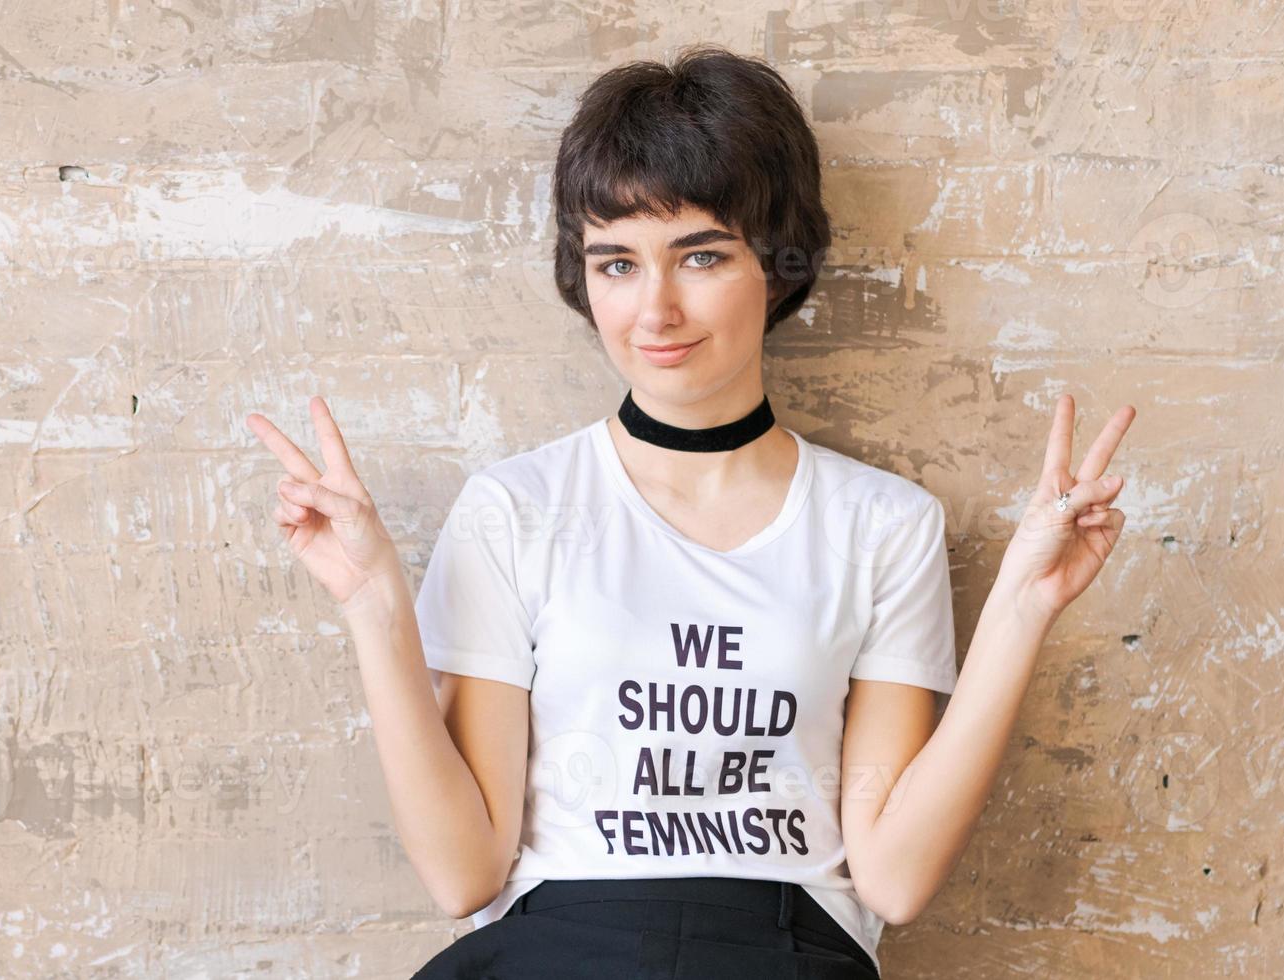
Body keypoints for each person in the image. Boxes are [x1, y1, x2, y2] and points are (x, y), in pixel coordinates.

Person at [244, 44, 1136, 980]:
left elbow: (894, 880)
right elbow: (465, 875)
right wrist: (373, 603)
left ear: (779, 267)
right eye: (617, 263)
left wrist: (1022, 610)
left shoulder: (883, 524)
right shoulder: (516, 509)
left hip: (782, 950)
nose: (655, 308)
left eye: (700, 255)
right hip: (559, 951)